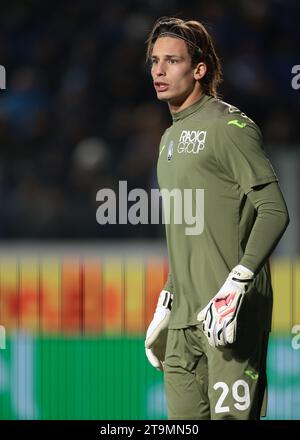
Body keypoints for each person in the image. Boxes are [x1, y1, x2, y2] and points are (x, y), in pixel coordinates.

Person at [144, 17, 289, 420]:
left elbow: (275, 211)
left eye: (172, 61)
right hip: (184, 323)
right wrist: (169, 297)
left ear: (199, 69)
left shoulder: (230, 126)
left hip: (230, 316)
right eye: (155, 61)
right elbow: (190, 227)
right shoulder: (168, 139)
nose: (159, 70)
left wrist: (238, 283)